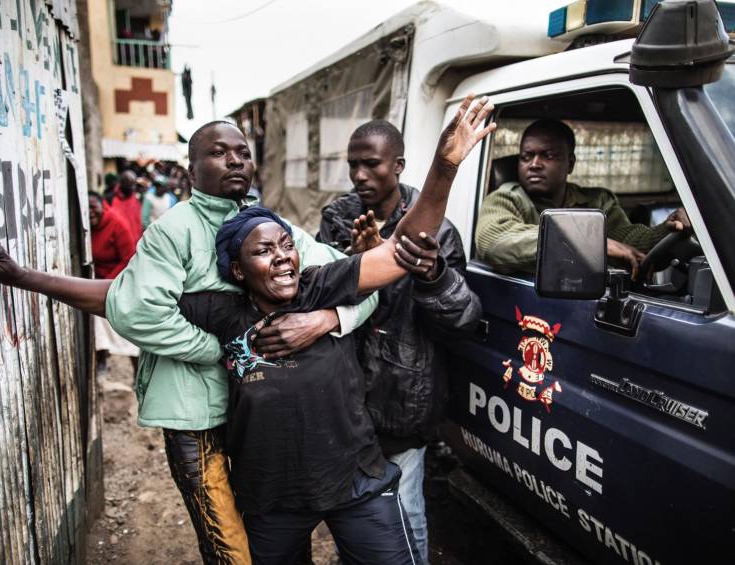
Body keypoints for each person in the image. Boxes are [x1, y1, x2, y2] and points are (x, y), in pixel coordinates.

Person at [0, 120, 380, 564]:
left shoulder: (272, 228)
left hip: (259, 417)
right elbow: (135, 308)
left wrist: (327, 319)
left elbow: (363, 285)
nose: (234, 161)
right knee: (230, 547)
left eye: (243, 153)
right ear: (191, 171)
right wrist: (221, 350)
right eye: (218, 153)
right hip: (197, 416)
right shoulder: (174, 230)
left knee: (271, 530)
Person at [172, 93, 495, 563]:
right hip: (275, 490)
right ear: (237, 271)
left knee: (402, 526)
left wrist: (444, 169)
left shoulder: (320, 283)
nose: (282, 257)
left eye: (287, 245)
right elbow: (131, 299)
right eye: (263, 251)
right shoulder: (225, 310)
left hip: (372, 446)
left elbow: (402, 255)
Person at [317, 120, 483, 563]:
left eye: (371, 164)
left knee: (404, 515)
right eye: (353, 164)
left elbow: (463, 321)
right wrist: (357, 265)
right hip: (346, 398)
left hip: (403, 398)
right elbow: (315, 295)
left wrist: (432, 275)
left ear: (398, 165)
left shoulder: (437, 231)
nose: (359, 175)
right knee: (354, 514)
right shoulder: (338, 219)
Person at [475, 119, 691, 278]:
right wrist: (589, 243)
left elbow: (628, 243)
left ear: (570, 164)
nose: (534, 164)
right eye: (526, 157)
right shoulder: (506, 198)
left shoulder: (598, 201)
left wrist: (667, 230)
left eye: (548, 156)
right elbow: (494, 242)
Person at [88, 192, 140, 372]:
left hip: (121, 280)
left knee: (127, 328)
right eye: (86, 208)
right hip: (97, 282)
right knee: (98, 324)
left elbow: (129, 258)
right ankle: (102, 361)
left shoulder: (117, 224)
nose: (90, 211)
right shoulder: (86, 228)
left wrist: (108, 281)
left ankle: (136, 371)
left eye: (93, 206)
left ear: (103, 206)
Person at [110, 170, 143, 241]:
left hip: (135, 241)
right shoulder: (111, 199)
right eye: (129, 185)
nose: (132, 188)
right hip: (119, 240)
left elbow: (139, 220)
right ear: (121, 184)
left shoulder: (137, 199)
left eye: (133, 184)